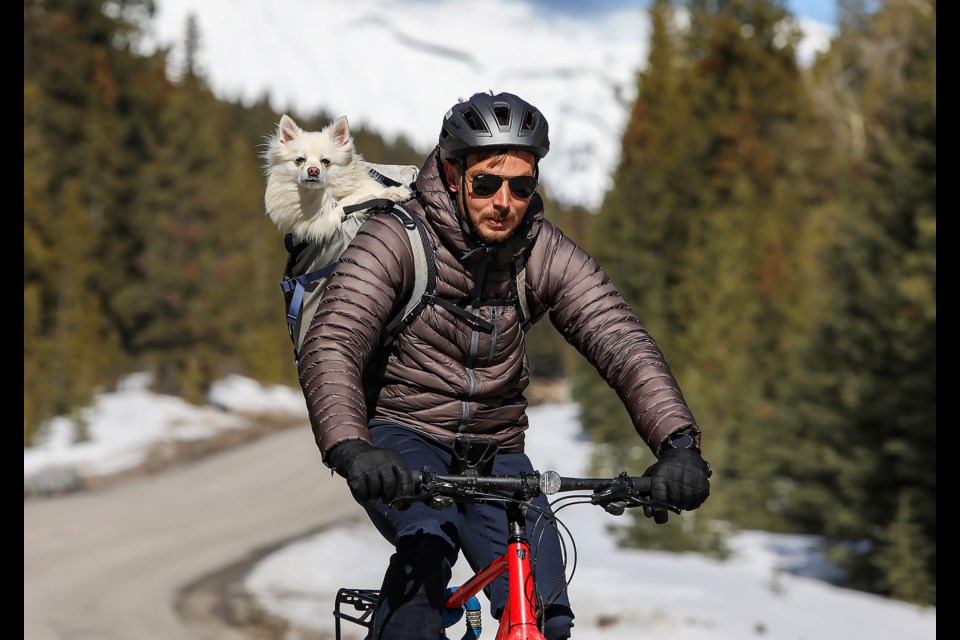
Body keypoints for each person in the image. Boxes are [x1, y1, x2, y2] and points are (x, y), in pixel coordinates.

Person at [297, 91, 712, 640]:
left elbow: (619, 339)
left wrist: (678, 445)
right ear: (451, 173)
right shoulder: (398, 237)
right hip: (404, 435)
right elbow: (334, 340)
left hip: (496, 451)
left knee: (544, 610)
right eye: (487, 183)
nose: (504, 201)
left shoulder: (540, 250)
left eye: (522, 185)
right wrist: (352, 447)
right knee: (427, 546)